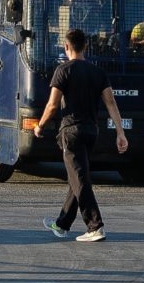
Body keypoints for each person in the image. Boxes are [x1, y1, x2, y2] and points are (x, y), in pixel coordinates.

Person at [35, 28, 128, 242]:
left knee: (80, 179)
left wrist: (40, 125)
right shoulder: (98, 72)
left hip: (71, 131)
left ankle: (95, 226)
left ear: (66, 46)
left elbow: (52, 105)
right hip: (91, 131)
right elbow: (111, 103)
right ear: (85, 46)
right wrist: (120, 133)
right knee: (77, 178)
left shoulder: (63, 70)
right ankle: (62, 224)